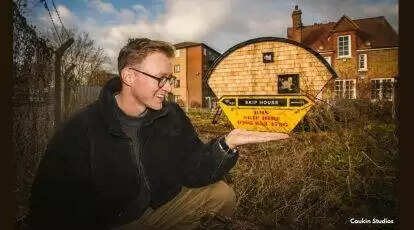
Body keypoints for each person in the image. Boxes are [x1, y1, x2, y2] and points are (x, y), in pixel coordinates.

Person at [28, 38, 289, 230]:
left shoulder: (171, 114)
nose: (168, 88)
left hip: (159, 208)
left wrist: (227, 144)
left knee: (221, 195)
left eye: (170, 79)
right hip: (110, 222)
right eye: (161, 78)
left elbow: (193, 169)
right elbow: (50, 205)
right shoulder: (80, 129)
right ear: (129, 75)